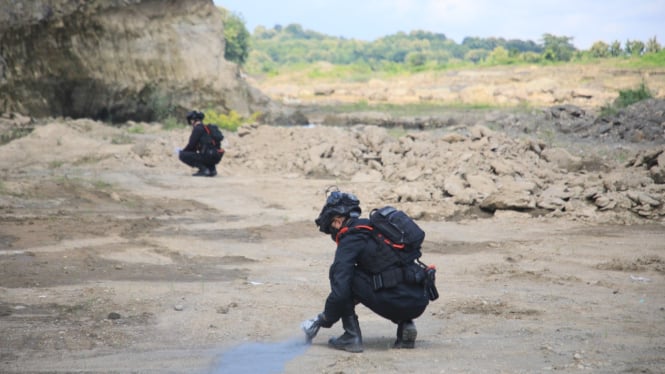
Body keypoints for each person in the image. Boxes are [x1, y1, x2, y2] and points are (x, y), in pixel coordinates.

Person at [302, 191, 431, 353]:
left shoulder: (350, 238)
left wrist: (323, 319)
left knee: (341, 275)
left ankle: (351, 337)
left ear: (337, 221)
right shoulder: (377, 230)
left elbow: (341, 292)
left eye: (331, 227)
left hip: (397, 301)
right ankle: (406, 326)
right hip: (418, 299)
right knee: (388, 275)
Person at [178, 110, 222, 177]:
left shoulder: (198, 129)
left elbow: (191, 145)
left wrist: (182, 152)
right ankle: (212, 170)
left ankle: (204, 170)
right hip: (216, 156)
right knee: (204, 154)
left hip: (208, 155)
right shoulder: (206, 128)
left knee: (182, 155)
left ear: (193, 120)